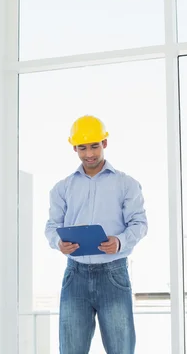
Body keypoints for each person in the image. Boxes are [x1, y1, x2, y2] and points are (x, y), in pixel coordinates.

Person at [45, 115, 148, 354]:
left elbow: (139, 223)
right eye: (83, 148)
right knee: (70, 349)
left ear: (105, 143)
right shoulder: (62, 188)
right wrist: (59, 242)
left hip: (113, 274)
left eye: (94, 146)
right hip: (75, 275)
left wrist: (120, 241)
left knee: (121, 348)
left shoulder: (126, 184)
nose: (89, 153)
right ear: (74, 148)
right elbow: (51, 226)